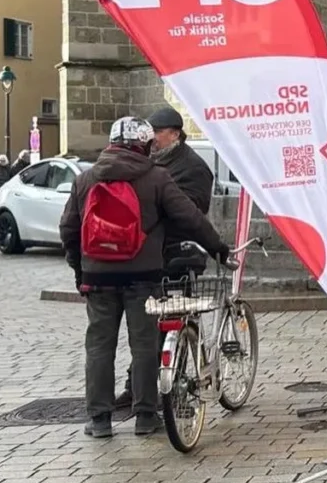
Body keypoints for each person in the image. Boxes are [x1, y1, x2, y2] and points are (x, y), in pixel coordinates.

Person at [59, 116, 229, 439]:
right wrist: (218, 248)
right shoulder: (156, 177)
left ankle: (99, 420)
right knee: (145, 345)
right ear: (144, 145)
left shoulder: (85, 179)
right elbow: (190, 218)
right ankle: (146, 417)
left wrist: (79, 270)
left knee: (99, 347)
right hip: (144, 277)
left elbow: (68, 230)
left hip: (98, 278)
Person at [114, 105, 214, 409]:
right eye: (151, 132)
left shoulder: (193, 167)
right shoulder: (146, 162)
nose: (153, 138)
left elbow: (192, 214)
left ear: (175, 134)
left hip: (177, 258)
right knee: (145, 327)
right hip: (147, 258)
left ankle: (176, 389)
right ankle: (136, 386)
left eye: (158, 132)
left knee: (174, 324)